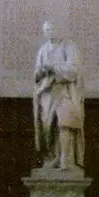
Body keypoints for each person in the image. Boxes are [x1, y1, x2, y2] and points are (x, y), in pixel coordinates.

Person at [33, 20, 84, 170]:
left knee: (65, 123)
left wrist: (54, 68)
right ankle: (53, 157)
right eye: (47, 30)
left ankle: (65, 159)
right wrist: (41, 72)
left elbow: (74, 70)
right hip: (48, 94)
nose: (49, 32)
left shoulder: (69, 46)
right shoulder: (43, 49)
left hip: (65, 91)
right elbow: (36, 73)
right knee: (49, 127)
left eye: (52, 29)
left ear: (59, 30)